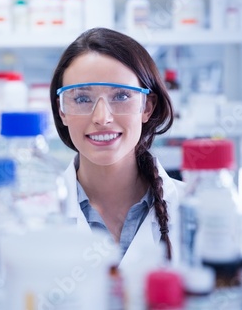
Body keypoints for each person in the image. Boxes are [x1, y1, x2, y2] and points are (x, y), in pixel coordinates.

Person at [49, 28, 184, 268]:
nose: (102, 117)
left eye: (121, 96)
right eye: (81, 99)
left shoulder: (193, 209)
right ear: (62, 111)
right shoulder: (35, 216)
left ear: (147, 107)